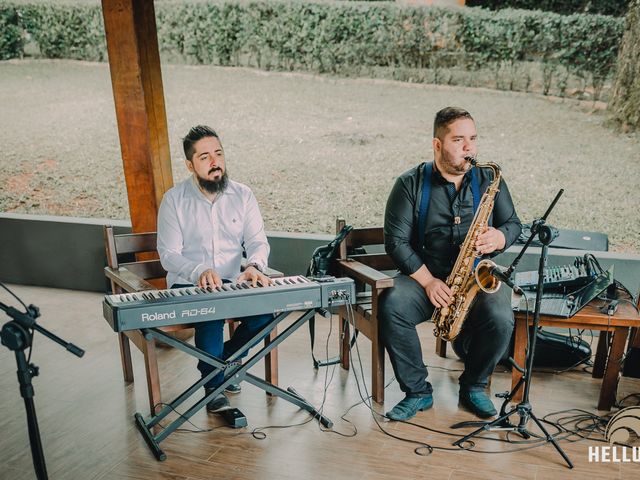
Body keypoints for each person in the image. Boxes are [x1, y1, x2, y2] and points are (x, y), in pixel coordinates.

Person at [380, 107, 522, 421]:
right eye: (459, 140)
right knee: (391, 306)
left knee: (501, 316)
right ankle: (417, 391)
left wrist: (499, 238)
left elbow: (513, 223)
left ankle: (474, 385)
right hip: (422, 275)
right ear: (437, 145)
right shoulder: (409, 184)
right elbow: (397, 243)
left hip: (473, 276)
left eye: (472, 138)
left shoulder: (489, 179)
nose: (469, 148)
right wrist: (429, 281)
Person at [157, 125, 273, 412]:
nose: (215, 162)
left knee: (266, 313)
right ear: (190, 165)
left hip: (234, 281)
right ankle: (214, 388)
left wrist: (255, 266)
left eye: (218, 154)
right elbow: (168, 254)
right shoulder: (174, 200)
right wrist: (198, 271)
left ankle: (222, 369)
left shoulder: (243, 195)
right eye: (205, 157)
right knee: (211, 312)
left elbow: (257, 241)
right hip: (190, 284)